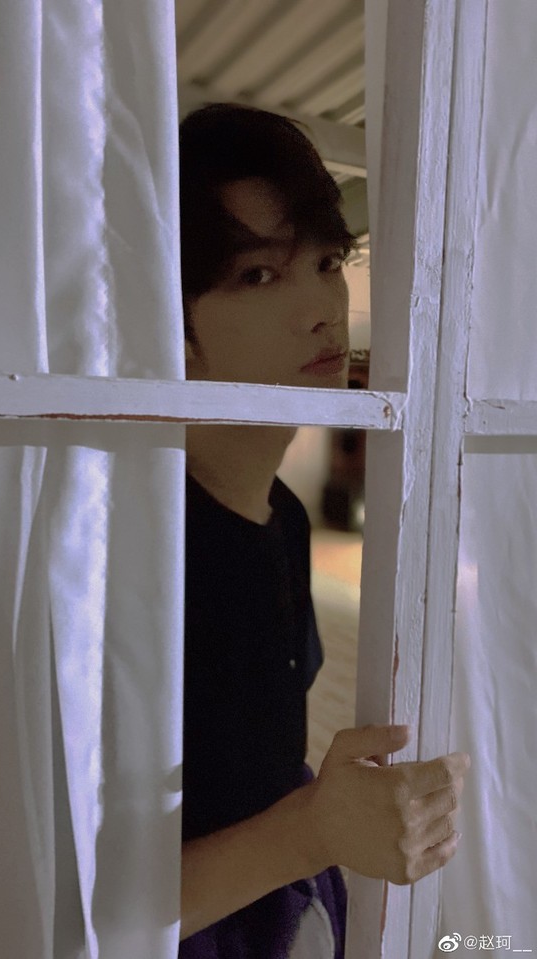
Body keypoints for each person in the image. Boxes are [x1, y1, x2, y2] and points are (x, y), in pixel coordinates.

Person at [178, 103, 470, 959]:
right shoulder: (136, 550)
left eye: (329, 262)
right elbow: (71, 897)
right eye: (260, 274)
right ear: (173, 325)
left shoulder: (285, 514)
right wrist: (315, 829)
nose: (323, 309)